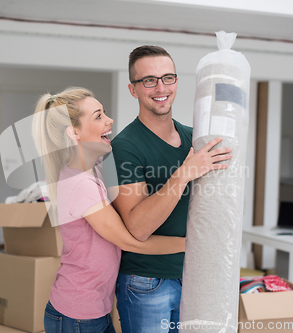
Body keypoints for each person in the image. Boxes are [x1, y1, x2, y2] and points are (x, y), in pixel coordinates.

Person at [32, 87, 186, 333]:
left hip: (93, 310)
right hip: (76, 316)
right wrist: (192, 244)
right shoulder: (79, 184)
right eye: (98, 116)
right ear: (74, 132)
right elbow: (131, 242)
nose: (109, 120)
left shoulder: (94, 168)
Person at [110, 45, 233, 332]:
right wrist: (184, 174)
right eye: (149, 80)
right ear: (133, 89)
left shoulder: (195, 139)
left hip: (195, 275)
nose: (160, 87)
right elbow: (138, 228)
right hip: (147, 282)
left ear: (177, 81)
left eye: (168, 78)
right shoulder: (124, 147)